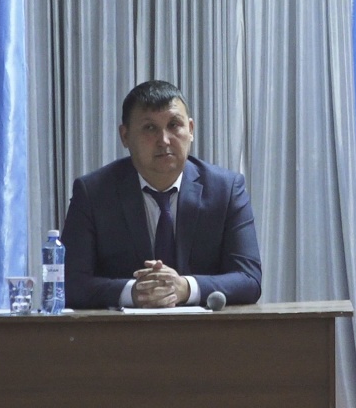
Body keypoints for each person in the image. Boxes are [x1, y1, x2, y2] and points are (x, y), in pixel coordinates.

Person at [62, 80, 262, 309]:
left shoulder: (226, 189)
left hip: (205, 330)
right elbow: (69, 283)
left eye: (174, 125)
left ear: (191, 130)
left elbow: (249, 279)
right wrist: (134, 292)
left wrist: (184, 288)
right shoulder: (93, 193)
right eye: (150, 128)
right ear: (125, 136)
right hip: (122, 330)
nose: (164, 140)